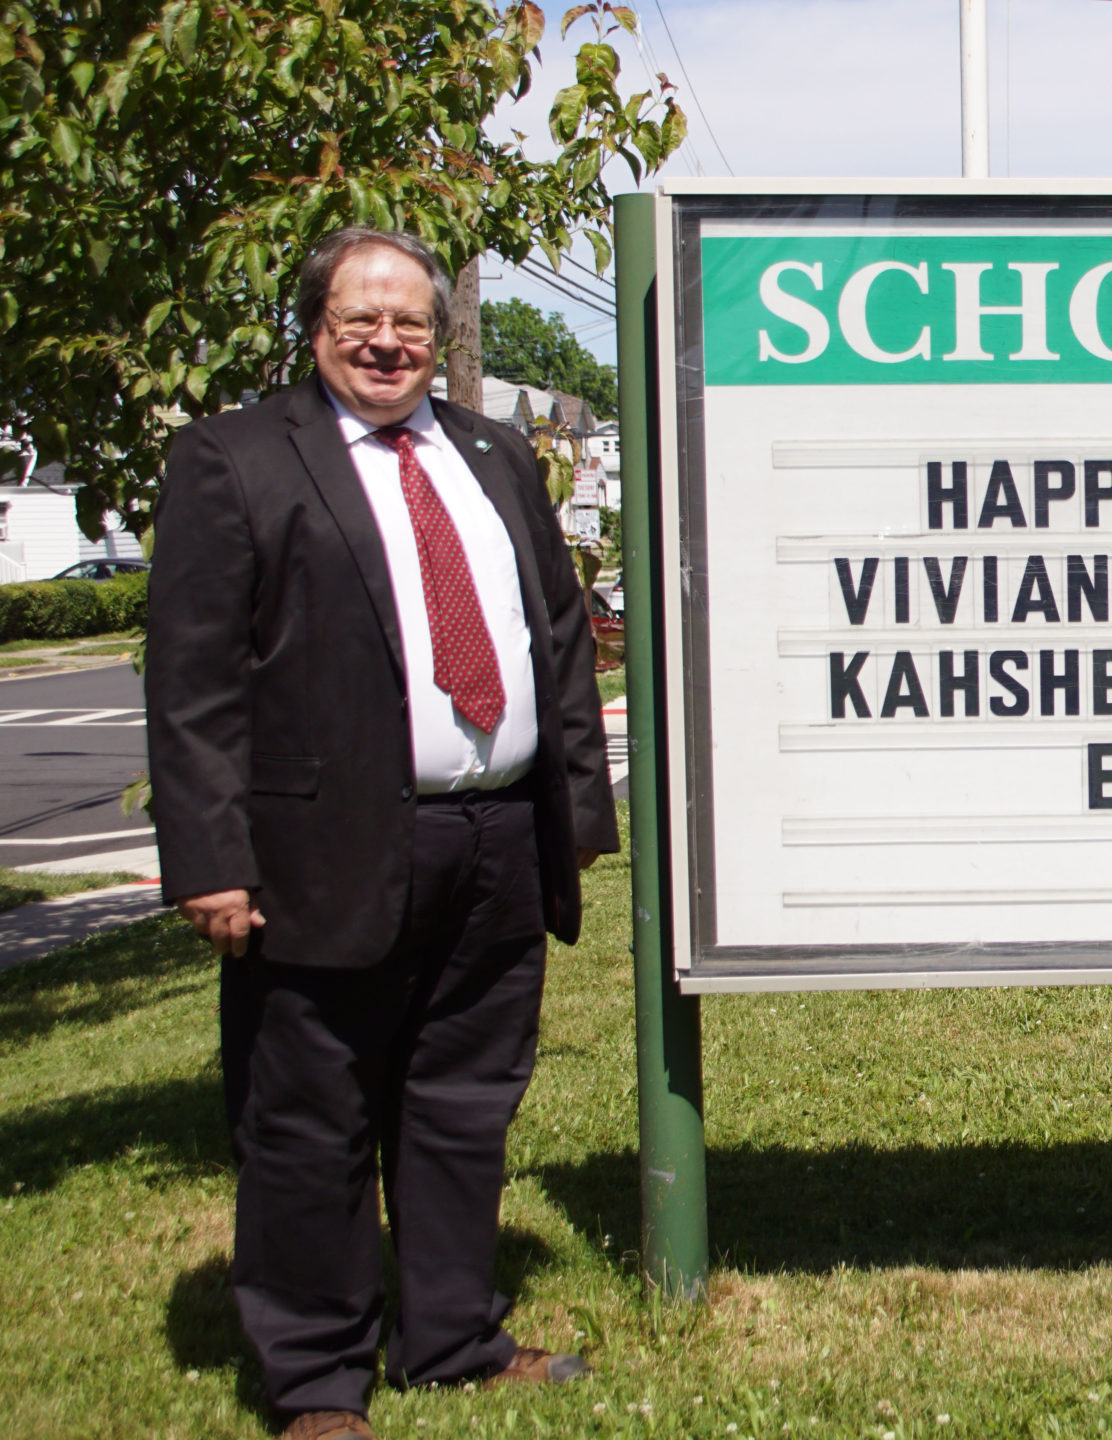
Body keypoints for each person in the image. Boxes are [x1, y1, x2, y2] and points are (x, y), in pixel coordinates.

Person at [148, 228, 618, 1440]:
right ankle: (316, 1380)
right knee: (311, 1118)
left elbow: (556, 637)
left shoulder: (493, 455)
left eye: (410, 321)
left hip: (496, 837)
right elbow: (194, 680)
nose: (387, 341)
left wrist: (574, 810)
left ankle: (453, 1341)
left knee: (465, 1102)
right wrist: (210, 860)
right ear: (315, 325)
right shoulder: (235, 458)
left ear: (440, 332)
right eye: (360, 317)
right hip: (321, 851)